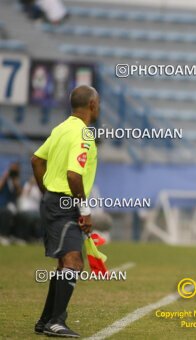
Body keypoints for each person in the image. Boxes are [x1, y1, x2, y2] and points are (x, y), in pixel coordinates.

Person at [31, 85, 100, 337]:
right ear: (92, 105)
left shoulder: (61, 128)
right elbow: (73, 174)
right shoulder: (83, 133)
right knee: (73, 261)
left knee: (64, 262)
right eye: (98, 103)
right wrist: (85, 209)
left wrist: (46, 192)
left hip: (53, 201)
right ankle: (56, 322)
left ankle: (46, 319)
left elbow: (37, 160)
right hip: (66, 204)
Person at [0, 162, 22, 245]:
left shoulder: (16, 180)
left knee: (20, 215)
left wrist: (16, 183)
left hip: (11, 205)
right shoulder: (4, 178)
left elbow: (20, 193)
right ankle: (3, 235)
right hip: (2, 204)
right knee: (6, 213)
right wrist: (4, 177)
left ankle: (15, 236)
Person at [15, 176, 43, 242]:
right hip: (26, 209)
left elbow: (40, 198)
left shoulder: (38, 188)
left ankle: (37, 237)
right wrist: (31, 185)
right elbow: (24, 194)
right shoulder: (27, 185)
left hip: (35, 210)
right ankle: (26, 237)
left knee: (40, 217)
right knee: (31, 217)